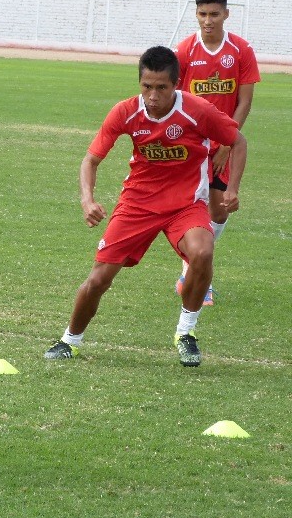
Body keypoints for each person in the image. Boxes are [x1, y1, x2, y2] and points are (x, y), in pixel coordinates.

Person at [44, 46, 246, 367]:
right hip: (137, 204)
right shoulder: (125, 112)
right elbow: (91, 160)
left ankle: (186, 333)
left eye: (161, 88)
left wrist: (231, 189)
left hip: (186, 205)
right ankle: (70, 340)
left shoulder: (198, 111)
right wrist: (87, 199)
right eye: (146, 86)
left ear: (176, 84)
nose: (153, 95)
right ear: (140, 83)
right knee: (99, 279)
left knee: (203, 252)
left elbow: (238, 140)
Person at [173, 0, 260, 304]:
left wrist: (227, 139)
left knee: (220, 211)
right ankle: (193, 275)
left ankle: (194, 269)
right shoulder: (184, 51)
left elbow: (245, 100)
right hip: (193, 145)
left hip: (225, 142)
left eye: (214, 14)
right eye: (202, 14)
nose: (207, 20)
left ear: (226, 13)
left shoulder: (240, 50)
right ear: (196, 14)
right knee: (195, 211)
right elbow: (175, 100)